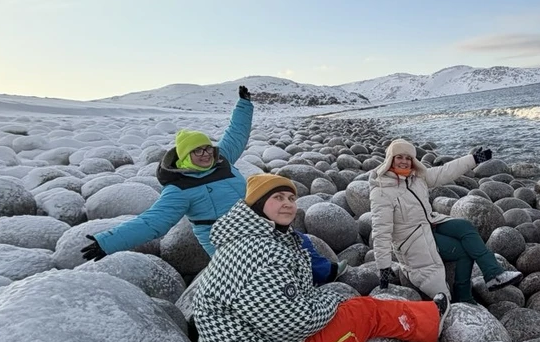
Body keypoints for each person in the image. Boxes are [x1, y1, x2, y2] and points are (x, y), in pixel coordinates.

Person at [191, 174, 447, 342]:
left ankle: (421, 314)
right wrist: (331, 301)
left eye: (291, 197)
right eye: (277, 198)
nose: (288, 203)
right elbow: (292, 323)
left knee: (350, 307)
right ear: (257, 204)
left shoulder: (251, 241)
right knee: (364, 312)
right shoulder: (259, 251)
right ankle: (432, 322)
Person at [79, 85, 344, 282]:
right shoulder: (179, 187)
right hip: (224, 240)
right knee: (268, 266)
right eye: (198, 151)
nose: (206, 154)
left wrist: (244, 105)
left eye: (207, 148)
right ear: (185, 157)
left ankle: (325, 275)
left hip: (256, 224)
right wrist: (108, 242)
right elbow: (153, 222)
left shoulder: (222, 159)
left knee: (299, 242)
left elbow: (236, 133)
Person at [368, 138, 523, 304]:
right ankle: (463, 295)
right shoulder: (382, 191)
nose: (404, 162)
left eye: (408, 158)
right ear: (390, 158)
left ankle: (493, 274)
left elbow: (446, 171)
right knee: (464, 251)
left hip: (429, 223)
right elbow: (381, 231)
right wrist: (383, 267)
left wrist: (474, 159)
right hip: (412, 240)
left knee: (464, 226)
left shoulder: (416, 177)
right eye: (399, 157)